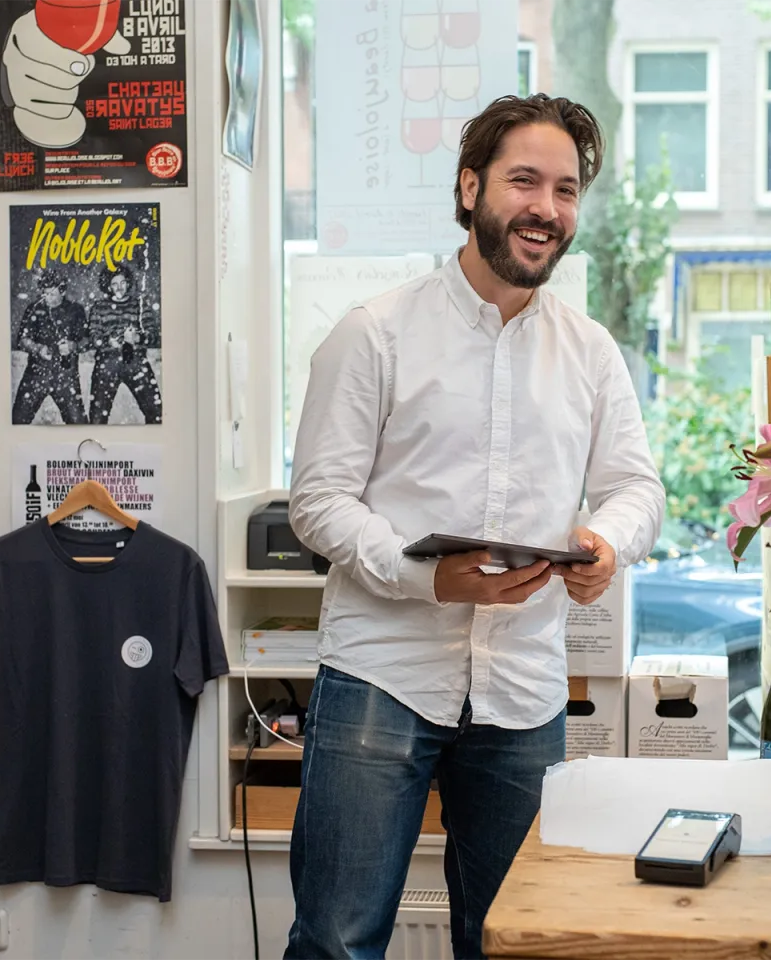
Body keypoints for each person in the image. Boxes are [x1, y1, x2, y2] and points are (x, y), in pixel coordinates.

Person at [283, 93, 665, 960]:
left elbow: (636, 487)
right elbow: (318, 500)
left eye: (566, 190)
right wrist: (428, 578)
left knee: (514, 940)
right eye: (524, 180)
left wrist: (609, 543)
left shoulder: (592, 353)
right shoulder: (374, 334)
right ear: (469, 188)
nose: (546, 208)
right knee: (338, 941)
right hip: (383, 675)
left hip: (524, 691)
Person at [86, 264, 162, 424]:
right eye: (114, 283)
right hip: (107, 363)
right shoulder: (99, 307)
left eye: (122, 283)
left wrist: (137, 339)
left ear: (128, 283)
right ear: (108, 286)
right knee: (97, 418)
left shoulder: (140, 305)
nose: (119, 287)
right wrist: (108, 342)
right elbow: (92, 337)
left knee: (156, 413)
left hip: (136, 361)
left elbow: (155, 336)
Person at [11, 269, 87, 424]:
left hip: (66, 376)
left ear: (62, 292)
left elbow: (87, 341)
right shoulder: (34, 308)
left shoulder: (76, 310)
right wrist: (38, 348)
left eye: (52, 295)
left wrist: (72, 346)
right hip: (37, 374)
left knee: (78, 424)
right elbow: (22, 339)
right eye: (44, 294)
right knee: (18, 420)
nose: (47, 299)